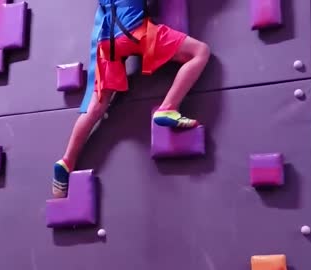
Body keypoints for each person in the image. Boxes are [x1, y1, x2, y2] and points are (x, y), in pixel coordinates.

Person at [52, 0, 210, 198]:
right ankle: (168, 107)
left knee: (96, 106)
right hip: (133, 32)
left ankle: (66, 161)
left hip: (107, 43)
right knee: (200, 52)